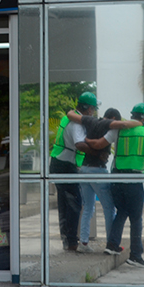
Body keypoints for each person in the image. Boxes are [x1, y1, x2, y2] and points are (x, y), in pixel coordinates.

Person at [86, 103, 144, 268]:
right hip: (134, 179)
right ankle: (135, 255)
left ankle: (112, 244)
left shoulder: (118, 130)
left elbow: (99, 144)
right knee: (136, 218)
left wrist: (87, 141)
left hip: (117, 177)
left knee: (121, 212)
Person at [65, 108, 134, 252]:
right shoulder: (108, 124)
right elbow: (124, 125)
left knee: (88, 207)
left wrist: (71, 112)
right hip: (98, 170)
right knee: (109, 208)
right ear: (113, 118)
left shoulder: (91, 120)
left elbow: (71, 115)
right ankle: (111, 243)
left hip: (84, 169)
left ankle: (83, 243)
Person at [49, 92, 98, 252]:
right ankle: (71, 241)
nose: (93, 112)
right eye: (93, 109)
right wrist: (97, 151)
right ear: (88, 109)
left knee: (65, 205)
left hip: (58, 163)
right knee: (74, 204)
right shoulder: (76, 124)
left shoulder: (69, 117)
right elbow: (79, 144)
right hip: (65, 165)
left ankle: (67, 241)